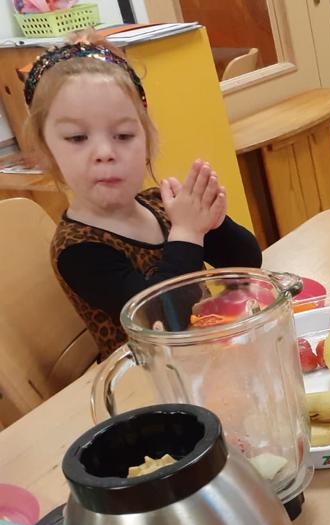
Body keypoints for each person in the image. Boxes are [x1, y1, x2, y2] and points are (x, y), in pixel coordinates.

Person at [23, 37, 261, 359]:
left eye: (123, 135)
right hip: (147, 375)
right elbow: (162, 321)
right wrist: (187, 232)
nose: (105, 152)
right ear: (46, 149)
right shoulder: (78, 249)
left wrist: (213, 225)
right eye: (77, 138)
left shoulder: (160, 203)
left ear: (147, 140)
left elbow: (246, 265)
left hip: (207, 352)